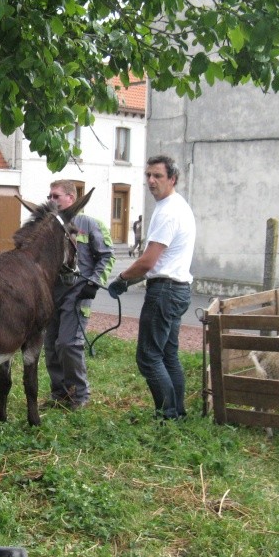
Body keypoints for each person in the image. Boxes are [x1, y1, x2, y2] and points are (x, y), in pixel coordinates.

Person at [108, 155, 196, 420]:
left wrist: (122, 278)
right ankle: (177, 412)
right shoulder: (177, 205)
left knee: (148, 357)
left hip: (165, 292)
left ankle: (168, 415)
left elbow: (147, 262)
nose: (150, 181)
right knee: (168, 355)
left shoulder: (168, 211)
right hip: (178, 289)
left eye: (157, 176)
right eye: (148, 175)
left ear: (173, 179)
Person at [43, 180, 115, 411]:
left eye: (56, 196)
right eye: (50, 196)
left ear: (71, 199)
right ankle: (60, 394)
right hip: (52, 294)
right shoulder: (48, 226)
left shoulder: (90, 224)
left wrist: (93, 284)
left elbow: (107, 256)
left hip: (78, 293)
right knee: (51, 346)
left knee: (68, 344)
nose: (51, 200)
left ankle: (80, 396)